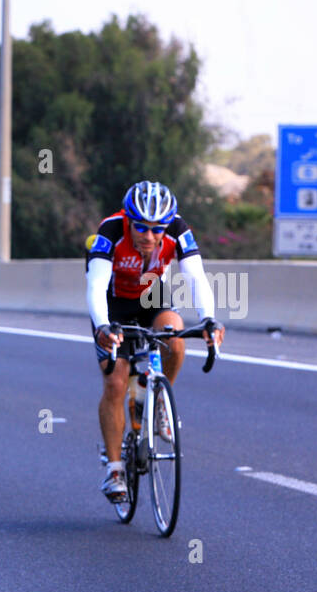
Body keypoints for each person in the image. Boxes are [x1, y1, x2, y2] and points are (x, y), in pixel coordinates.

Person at [85, 180, 225, 502]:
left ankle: (157, 399)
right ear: (128, 219)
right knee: (115, 383)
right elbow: (95, 286)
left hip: (151, 293)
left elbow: (195, 276)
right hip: (113, 301)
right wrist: (104, 327)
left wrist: (208, 319)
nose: (149, 237)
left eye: (157, 230)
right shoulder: (110, 231)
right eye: (141, 228)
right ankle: (115, 469)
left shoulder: (178, 229)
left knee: (175, 338)